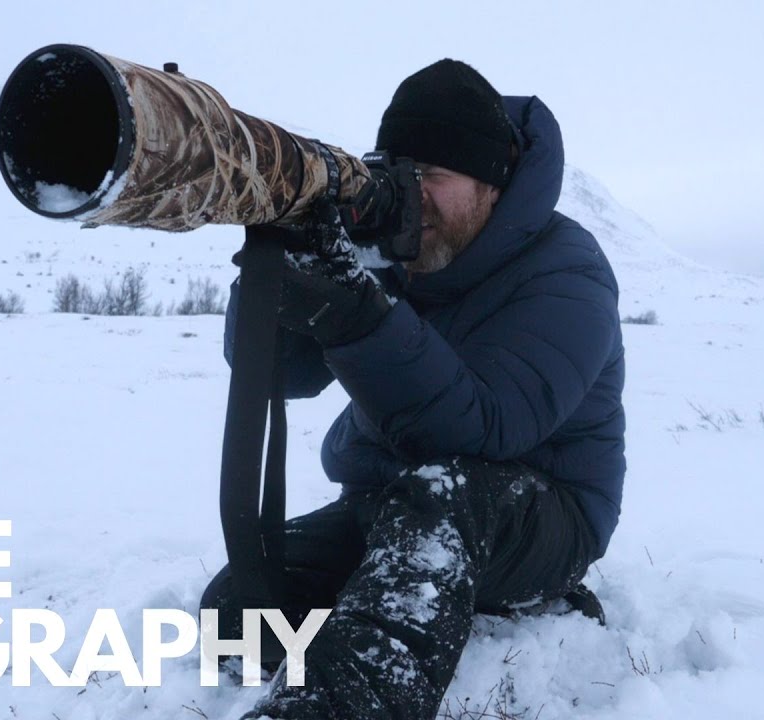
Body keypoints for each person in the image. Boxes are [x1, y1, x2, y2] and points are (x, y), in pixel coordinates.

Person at [201, 59, 627, 719]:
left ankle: (346, 703)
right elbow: (279, 374)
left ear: (492, 183)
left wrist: (358, 311)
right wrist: (285, 264)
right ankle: (416, 604)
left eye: (433, 175)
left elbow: (488, 428)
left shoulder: (567, 270)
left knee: (446, 491)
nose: (412, 195)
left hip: (540, 515)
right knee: (238, 613)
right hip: (400, 503)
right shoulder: (397, 254)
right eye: (399, 175)